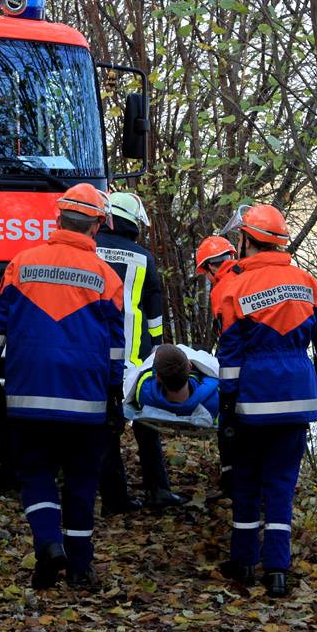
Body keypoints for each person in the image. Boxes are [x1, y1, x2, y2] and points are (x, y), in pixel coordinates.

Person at [0, 183, 125, 591]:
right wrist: (114, 394)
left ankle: (47, 544)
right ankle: (80, 568)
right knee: (81, 481)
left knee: (36, 474)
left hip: (28, 395)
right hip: (85, 399)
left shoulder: (21, 264)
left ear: (58, 219)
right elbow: (117, 347)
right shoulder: (106, 277)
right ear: (97, 226)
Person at [215, 203, 317, 597]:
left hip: (254, 396)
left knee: (248, 481)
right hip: (297, 396)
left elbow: (230, 353)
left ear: (247, 240)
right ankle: (277, 570)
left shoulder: (235, 287)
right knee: (282, 485)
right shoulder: (307, 282)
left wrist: (228, 402)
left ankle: (242, 562)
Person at [95, 192, 185, 513]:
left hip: (95, 358)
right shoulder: (143, 257)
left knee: (106, 428)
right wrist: (158, 350)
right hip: (135, 361)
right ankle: (157, 490)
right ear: (133, 224)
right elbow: (154, 314)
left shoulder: (87, 249)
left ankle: (115, 497)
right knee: (145, 424)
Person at [195, 235, 239, 494]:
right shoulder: (244, 273)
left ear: (210, 266)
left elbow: (228, 334)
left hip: (234, 361)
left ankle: (230, 476)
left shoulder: (221, 289)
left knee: (229, 420)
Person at [130, 343, 220, 421]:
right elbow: (213, 377)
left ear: (158, 378)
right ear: (190, 366)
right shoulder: (211, 402)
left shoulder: (145, 395)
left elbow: (145, 375)